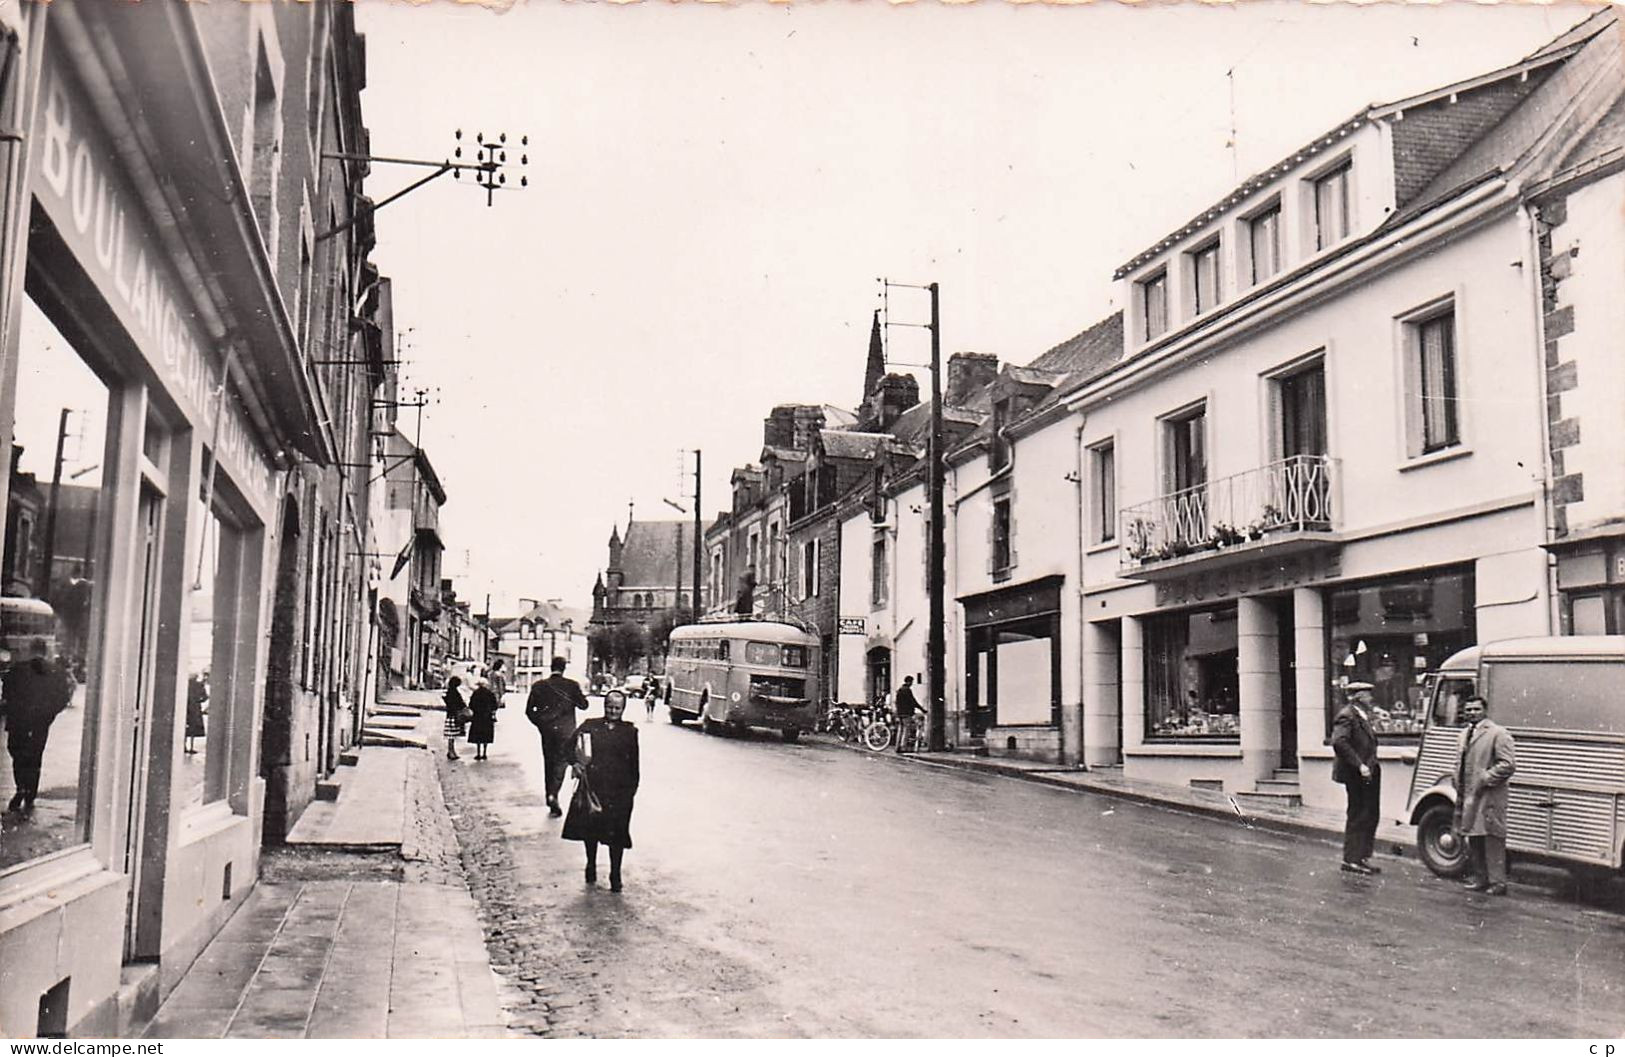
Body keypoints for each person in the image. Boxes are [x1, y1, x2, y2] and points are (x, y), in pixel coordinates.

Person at [562, 689, 640, 892]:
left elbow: (634, 764)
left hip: (619, 792)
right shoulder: (590, 726)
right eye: (609, 707)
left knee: (618, 835)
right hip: (594, 788)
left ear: (623, 709)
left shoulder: (630, 731)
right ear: (604, 706)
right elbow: (569, 747)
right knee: (592, 830)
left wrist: (631, 790)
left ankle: (616, 874)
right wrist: (575, 764)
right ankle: (591, 864)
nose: (612, 711)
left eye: (617, 708)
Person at [3, 639, 74, 815]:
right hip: (40, 723)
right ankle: (30, 794)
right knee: (35, 757)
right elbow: (63, 697)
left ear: (30, 649)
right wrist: (48, 715)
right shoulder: (56, 671)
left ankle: (21, 788)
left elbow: (6, 695)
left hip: (18, 721)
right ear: (45, 650)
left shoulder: (17, 670)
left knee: (17, 755)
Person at [1455, 695, 1517, 896]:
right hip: (1469, 794)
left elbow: (1508, 764)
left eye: (1476, 709)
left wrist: (1486, 777)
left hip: (1490, 794)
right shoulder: (1464, 734)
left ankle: (1498, 882)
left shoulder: (1498, 733)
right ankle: (1480, 878)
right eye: (1468, 709)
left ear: (1485, 710)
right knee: (1474, 836)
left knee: (1493, 837)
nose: (1472, 713)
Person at [526, 655, 590, 816]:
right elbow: (584, 706)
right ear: (564, 668)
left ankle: (550, 794)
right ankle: (553, 794)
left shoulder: (539, 685)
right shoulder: (572, 685)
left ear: (550, 667)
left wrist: (540, 724)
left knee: (549, 762)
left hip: (547, 731)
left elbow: (529, 711)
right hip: (567, 732)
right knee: (561, 764)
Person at [1330, 683, 1382, 875]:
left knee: (1370, 813)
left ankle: (1362, 857)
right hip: (1357, 773)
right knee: (1358, 814)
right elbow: (1339, 742)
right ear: (1357, 697)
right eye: (1367, 695)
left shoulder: (1363, 715)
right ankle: (1351, 859)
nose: (1371, 698)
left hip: (1369, 769)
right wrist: (1359, 765)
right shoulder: (1347, 715)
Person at [467, 676, 500, 761]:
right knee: (486, 736)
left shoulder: (475, 693)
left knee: (478, 736)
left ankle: (478, 753)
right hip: (487, 717)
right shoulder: (490, 693)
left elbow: (471, 705)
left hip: (477, 717)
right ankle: (484, 753)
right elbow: (495, 705)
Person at [893, 675, 920, 754]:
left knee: (900, 730)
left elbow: (897, 702)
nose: (912, 683)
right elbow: (913, 701)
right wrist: (922, 709)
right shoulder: (907, 690)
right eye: (911, 682)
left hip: (900, 713)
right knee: (906, 730)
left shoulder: (899, 690)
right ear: (909, 681)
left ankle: (897, 746)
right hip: (907, 713)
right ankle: (903, 747)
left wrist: (898, 712)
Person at [443, 676, 467, 761]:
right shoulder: (454, 693)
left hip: (450, 715)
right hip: (454, 715)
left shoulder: (450, 692)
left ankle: (451, 751)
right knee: (452, 735)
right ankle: (451, 751)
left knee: (451, 735)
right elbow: (458, 703)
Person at [185, 671, 209, 755]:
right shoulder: (199, 685)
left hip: (186, 707)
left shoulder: (185, 684)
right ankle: (191, 747)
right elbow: (205, 697)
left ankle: (184, 746)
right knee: (193, 728)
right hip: (195, 708)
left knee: (185, 727)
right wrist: (198, 700)